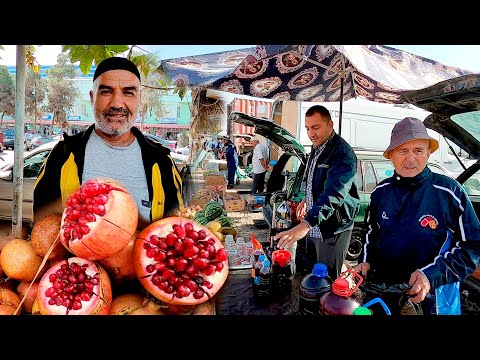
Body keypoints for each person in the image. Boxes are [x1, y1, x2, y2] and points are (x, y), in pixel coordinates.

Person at [33, 57, 184, 231]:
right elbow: (42, 230)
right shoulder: (63, 155)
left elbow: (174, 230)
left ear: (139, 99)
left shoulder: (162, 161)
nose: (117, 104)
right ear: (92, 97)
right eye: (106, 91)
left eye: (128, 92)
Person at [354, 117, 480, 315]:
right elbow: (371, 232)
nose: (410, 159)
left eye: (418, 150)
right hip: (384, 290)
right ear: (391, 155)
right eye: (403, 151)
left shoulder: (449, 192)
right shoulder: (381, 191)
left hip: (434, 297)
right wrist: (366, 260)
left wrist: (430, 276)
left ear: (428, 153)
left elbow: (472, 248)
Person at [273, 105, 360, 279]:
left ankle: (325, 305)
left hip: (333, 226)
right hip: (314, 224)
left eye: (316, 127)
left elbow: (334, 194)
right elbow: (313, 177)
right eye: (307, 128)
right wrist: (307, 197)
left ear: (330, 125)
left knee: (327, 279)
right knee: (312, 274)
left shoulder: (342, 153)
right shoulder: (317, 146)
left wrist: (304, 224)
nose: (311, 133)